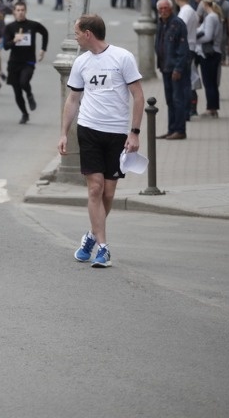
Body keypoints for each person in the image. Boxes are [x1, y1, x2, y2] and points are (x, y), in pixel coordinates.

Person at [59, 14, 144, 269]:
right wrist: (64, 132)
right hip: (89, 130)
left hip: (117, 133)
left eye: (77, 33)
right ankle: (103, 247)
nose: (75, 37)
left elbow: (138, 96)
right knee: (95, 189)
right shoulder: (81, 62)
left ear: (88, 34)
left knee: (108, 192)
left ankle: (91, 236)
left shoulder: (122, 57)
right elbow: (73, 99)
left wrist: (135, 132)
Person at [3, 1, 49, 124]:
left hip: (28, 61)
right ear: (14, 12)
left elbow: (45, 32)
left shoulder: (32, 25)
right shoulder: (10, 27)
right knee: (17, 91)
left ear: (26, 11)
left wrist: (43, 49)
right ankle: (24, 114)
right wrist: (14, 40)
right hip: (14, 63)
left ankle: (29, 94)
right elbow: (6, 46)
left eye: (22, 10)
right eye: (18, 10)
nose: (20, 12)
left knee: (24, 82)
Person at [154, 0, 192, 138]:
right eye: (161, 9)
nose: (163, 11)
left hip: (176, 69)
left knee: (178, 100)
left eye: (166, 8)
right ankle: (171, 129)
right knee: (170, 100)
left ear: (171, 9)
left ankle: (180, 130)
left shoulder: (177, 24)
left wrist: (178, 69)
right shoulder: (161, 23)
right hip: (165, 68)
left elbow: (183, 50)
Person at [195, 0, 225, 118]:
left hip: (208, 53)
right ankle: (213, 108)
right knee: (212, 82)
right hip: (214, 52)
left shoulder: (211, 17)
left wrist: (195, 39)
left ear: (205, 4)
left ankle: (211, 108)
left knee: (209, 82)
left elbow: (208, 36)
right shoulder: (215, 16)